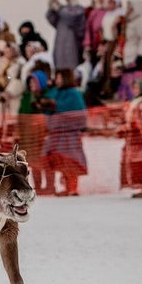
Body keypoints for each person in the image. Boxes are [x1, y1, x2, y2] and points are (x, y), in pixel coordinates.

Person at [40, 68, 88, 196]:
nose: (57, 80)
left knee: (70, 161)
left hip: (69, 136)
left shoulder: (73, 94)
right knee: (61, 161)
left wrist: (54, 105)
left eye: (60, 78)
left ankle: (73, 187)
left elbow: (77, 113)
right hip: (56, 135)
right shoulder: (56, 92)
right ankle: (67, 186)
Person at [17, 70, 54, 194]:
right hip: (28, 134)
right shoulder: (26, 97)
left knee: (46, 160)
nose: (32, 84)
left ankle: (50, 185)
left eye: (35, 82)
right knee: (33, 160)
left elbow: (50, 113)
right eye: (30, 82)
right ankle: (38, 185)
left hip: (43, 133)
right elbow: (21, 113)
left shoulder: (48, 95)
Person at [118, 78, 142, 197]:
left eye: (137, 87)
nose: (134, 90)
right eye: (133, 87)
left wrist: (135, 124)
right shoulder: (134, 102)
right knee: (138, 164)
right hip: (134, 138)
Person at [0, 41, 24, 152]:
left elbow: (18, 82)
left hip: (14, 99)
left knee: (13, 125)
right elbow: (2, 80)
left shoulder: (19, 64)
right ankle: (5, 147)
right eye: (6, 51)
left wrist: (7, 94)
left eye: (9, 51)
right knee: (6, 124)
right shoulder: (7, 64)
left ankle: (13, 148)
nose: (7, 53)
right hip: (6, 101)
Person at [117, 0, 142, 102]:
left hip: (136, 61)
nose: (126, 10)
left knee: (135, 86)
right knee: (127, 85)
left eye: (129, 8)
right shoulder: (129, 22)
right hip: (129, 59)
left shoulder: (140, 22)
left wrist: (140, 56)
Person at [46, 0, 86, 71]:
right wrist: (51, 9)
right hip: (60, 44)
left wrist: (59, 8)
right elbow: (53, 20)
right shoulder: (63, 9)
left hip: (72, 43)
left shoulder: (79, 9)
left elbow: (72, 17)